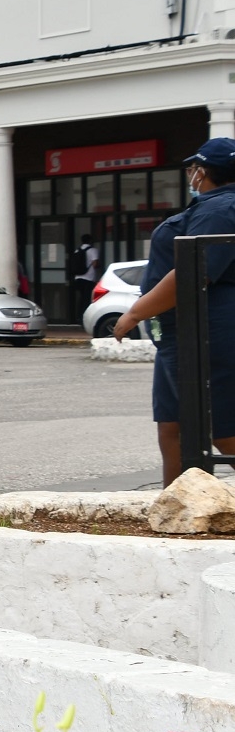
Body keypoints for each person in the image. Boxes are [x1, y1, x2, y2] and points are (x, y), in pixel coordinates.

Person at [113, 138, 235, 484]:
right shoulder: (209, 207)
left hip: (207, 331)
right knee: (174, 426)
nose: (190, 174)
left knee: (219, 428)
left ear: (204, 171)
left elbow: (192, 270)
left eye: (193, 167)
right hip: (177, 335)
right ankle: (178, 505)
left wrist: (135, 313)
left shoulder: (221, 209)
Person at [71, 234, 100, 317]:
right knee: (87, 299)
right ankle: (85, 316)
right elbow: (95, 264)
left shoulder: (77, 250)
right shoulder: (93, 250)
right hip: (89, 278)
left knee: (81, 298)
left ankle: (79, 315)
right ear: (90, 241)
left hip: (78, 278)